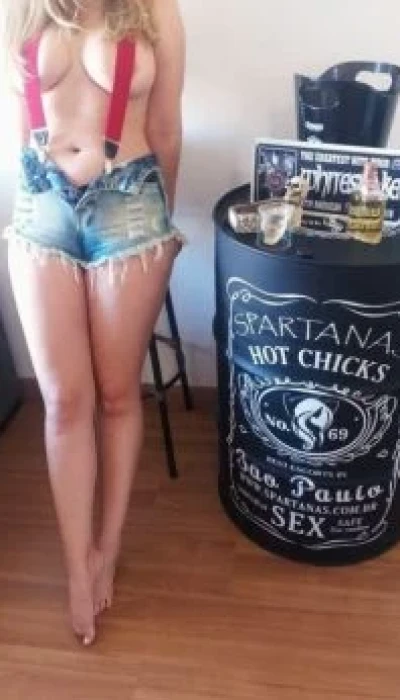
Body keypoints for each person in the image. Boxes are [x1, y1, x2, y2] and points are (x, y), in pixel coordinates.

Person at [0, 0, 185, 646]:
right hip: (40, 204)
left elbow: (165, 129)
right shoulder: (22, 10)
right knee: (63, 402)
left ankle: (108, 546)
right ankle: (77, 566)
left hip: (130, 207)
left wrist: (162, 227)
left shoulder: (155, 9)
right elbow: (18, 120)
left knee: (115, 394)